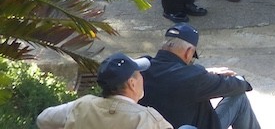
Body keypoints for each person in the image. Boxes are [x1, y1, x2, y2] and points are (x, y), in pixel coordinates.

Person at [141, 23, 261, 129]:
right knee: (239, 97)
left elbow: (170, 77)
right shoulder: (193, 77)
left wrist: (207, 74)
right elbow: (236, 85)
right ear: (188, 52)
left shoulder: (142, 67)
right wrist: (241, 80)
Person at [36, 52, 178, 129]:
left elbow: (43, 120)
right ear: (132, 84)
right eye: (139, 74)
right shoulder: (149, 119)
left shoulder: (82, 105)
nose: (143, 77)